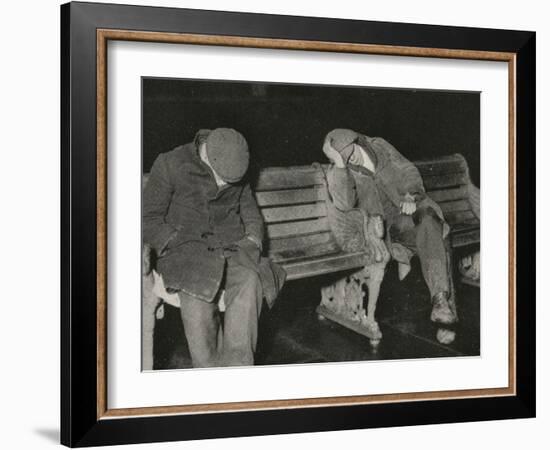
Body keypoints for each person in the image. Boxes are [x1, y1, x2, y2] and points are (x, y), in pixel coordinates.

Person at [143, 128, 284, 368]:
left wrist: (253, 240)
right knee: (198, 303)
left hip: (232, 248)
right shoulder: (171, 163)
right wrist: (172, 242)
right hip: (185, 253)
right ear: (206, 154)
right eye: (222, 180)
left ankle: (238, 370)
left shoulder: (236, 165)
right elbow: (148, 218)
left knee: (251, 281)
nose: (223, 186)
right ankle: (209, 376)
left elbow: (250, 212)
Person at [322, 128, 457, 325]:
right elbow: (345, 204)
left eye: (350, 154)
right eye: (344, 158)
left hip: (406, 214)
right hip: (381, 230)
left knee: (430, 221)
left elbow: (407, 169)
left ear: (358, 141)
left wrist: (411, 195)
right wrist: (340, 164)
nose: (350, 160)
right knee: (436, 237)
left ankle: (440, 302)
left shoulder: (379, 147)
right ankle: (442, 296)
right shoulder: (339, 172)